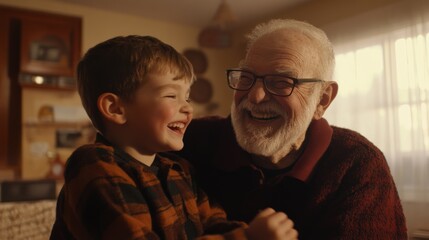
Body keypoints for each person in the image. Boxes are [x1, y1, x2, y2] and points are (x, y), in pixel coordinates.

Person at [176, 19, 408, 239]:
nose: (255, 96)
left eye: (281, 82)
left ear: (322, 100)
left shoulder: (356, 163)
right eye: (246, 77)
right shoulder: (191, 140)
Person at [49, 35, 298, 240]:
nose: (188, 108)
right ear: (116, 109)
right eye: (171, 96)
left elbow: (215, 223)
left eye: (187, 97)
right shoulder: (94, 165)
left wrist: (249, 231)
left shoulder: (179, 171)